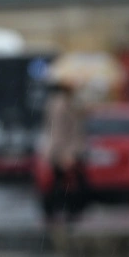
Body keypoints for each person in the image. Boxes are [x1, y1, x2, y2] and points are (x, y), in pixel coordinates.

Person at [40, 76, 89, 226]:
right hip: (65, 150)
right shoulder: (63, 105)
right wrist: (62, 152)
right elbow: (60, 131)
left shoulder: (59, 104)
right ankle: (67, 211)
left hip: (61, 149)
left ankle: (58, 211)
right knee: (68, 183)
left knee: (60, 182)